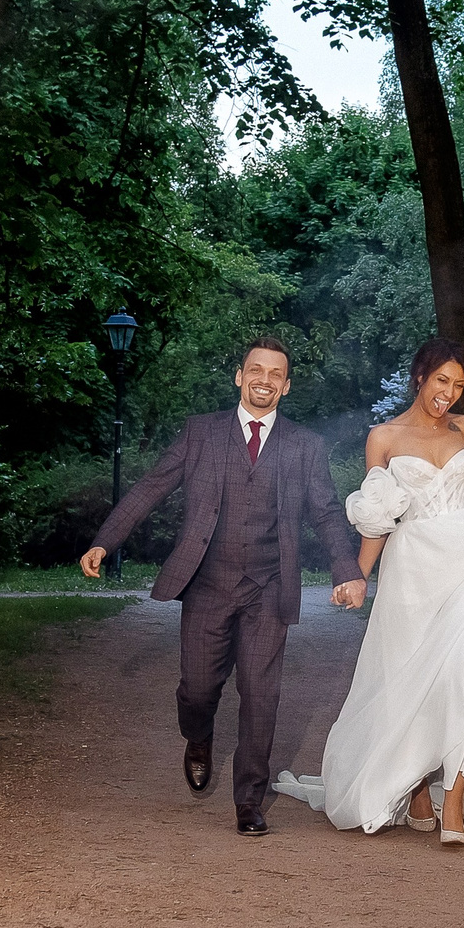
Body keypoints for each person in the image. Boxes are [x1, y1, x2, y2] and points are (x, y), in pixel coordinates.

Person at [271, 339, 464, 844]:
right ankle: (416, 793)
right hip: (413, 567)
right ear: (419, 378)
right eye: (440, 382)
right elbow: (378, 518)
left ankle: (454, 798)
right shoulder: (383, 438)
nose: (447, 395)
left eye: (457, 386)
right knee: (407, 677)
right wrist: (357, 576)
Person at [80, 339, 367, 836]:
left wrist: (348, 569)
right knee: (197, 690)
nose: (264, 379)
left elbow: (323, 511)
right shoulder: (200, 434)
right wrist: (106, 541)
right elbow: (152, 485)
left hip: (268, 590)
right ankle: (198, 736)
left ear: (286, 385)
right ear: (239, 376)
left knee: (261, 697)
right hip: (208, 585)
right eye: (256, 370)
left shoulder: (304, 445)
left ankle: (249, 801)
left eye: (275, 374)